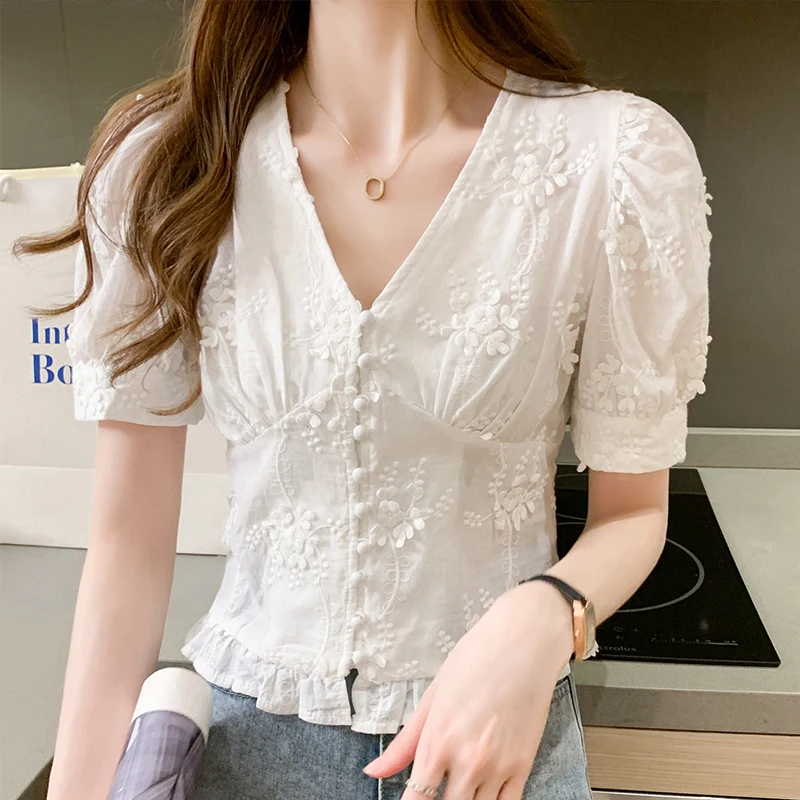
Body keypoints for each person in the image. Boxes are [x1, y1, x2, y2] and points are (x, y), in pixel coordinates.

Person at [15, 1, 712, 799]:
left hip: (497, 746)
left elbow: (633, 513)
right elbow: (128, 548)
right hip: (246, 749)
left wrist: (547, 615)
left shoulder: (616, 161)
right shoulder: (168, 158)